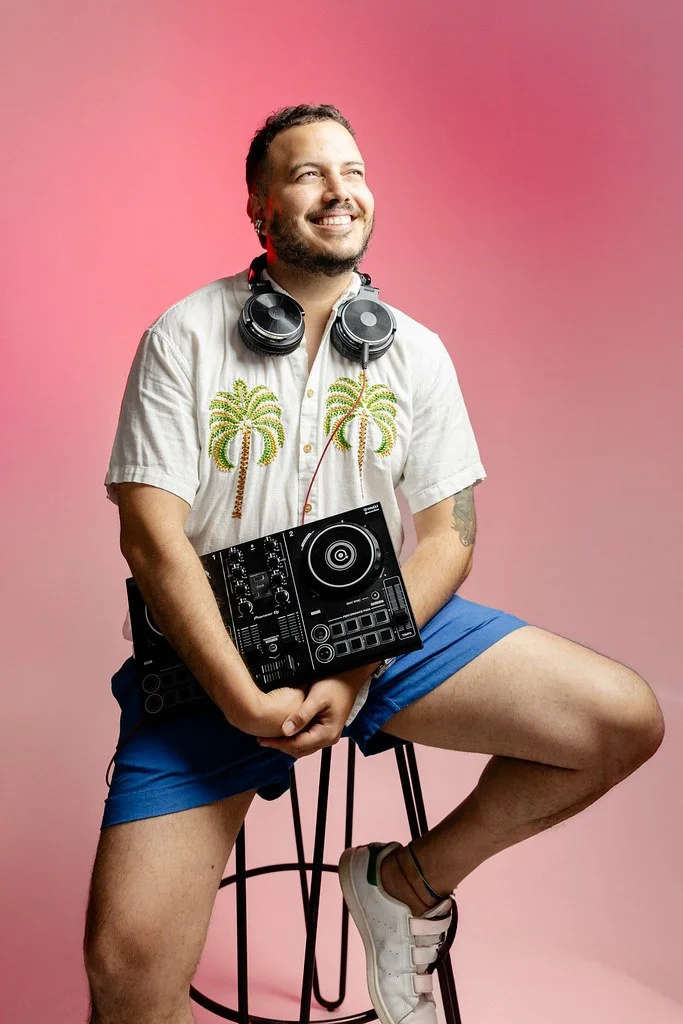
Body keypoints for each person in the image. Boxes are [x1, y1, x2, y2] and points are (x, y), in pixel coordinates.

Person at [84, 104, 664, 1024]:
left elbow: (448, 538)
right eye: (308, 172)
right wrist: (238, 696)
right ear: (259, 205)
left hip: (378, 630)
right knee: (126, 981)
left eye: (351, 171)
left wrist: (355, 668)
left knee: (621, 720)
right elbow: (150, 539)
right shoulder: (183, 337)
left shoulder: (417, 353)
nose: (338, 188)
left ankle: (404, 887)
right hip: (208, 660)